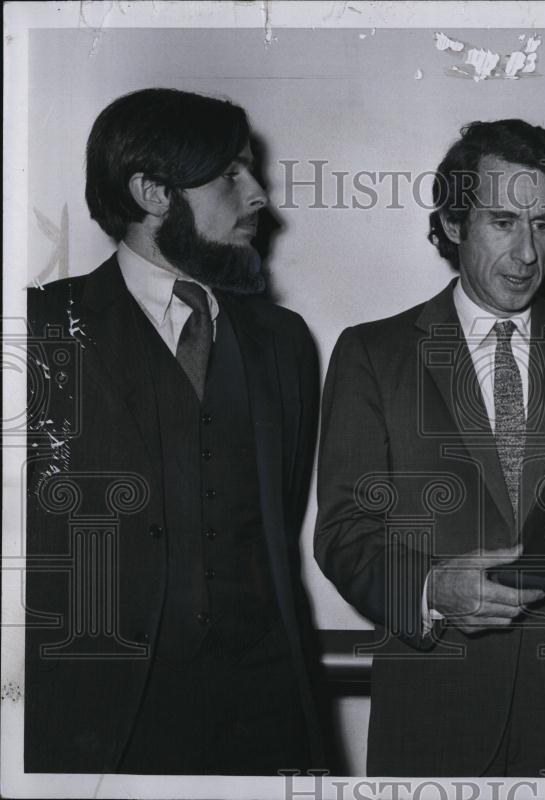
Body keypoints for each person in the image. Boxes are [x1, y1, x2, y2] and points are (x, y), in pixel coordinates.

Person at [314, 119, 545, 777]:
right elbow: (343, 532)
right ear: (452, 224)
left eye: (544, 225)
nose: (529, 253)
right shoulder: (372, 354)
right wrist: (430, 587)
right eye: (504, 222)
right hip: (433, 717)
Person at [25, 88, 325, 774]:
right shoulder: (38, 332)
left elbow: (271, 526)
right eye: (229, 174)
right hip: (95, 735)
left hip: (265, 729)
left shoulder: (284, 342)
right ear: (152, 192)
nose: (258, 198)